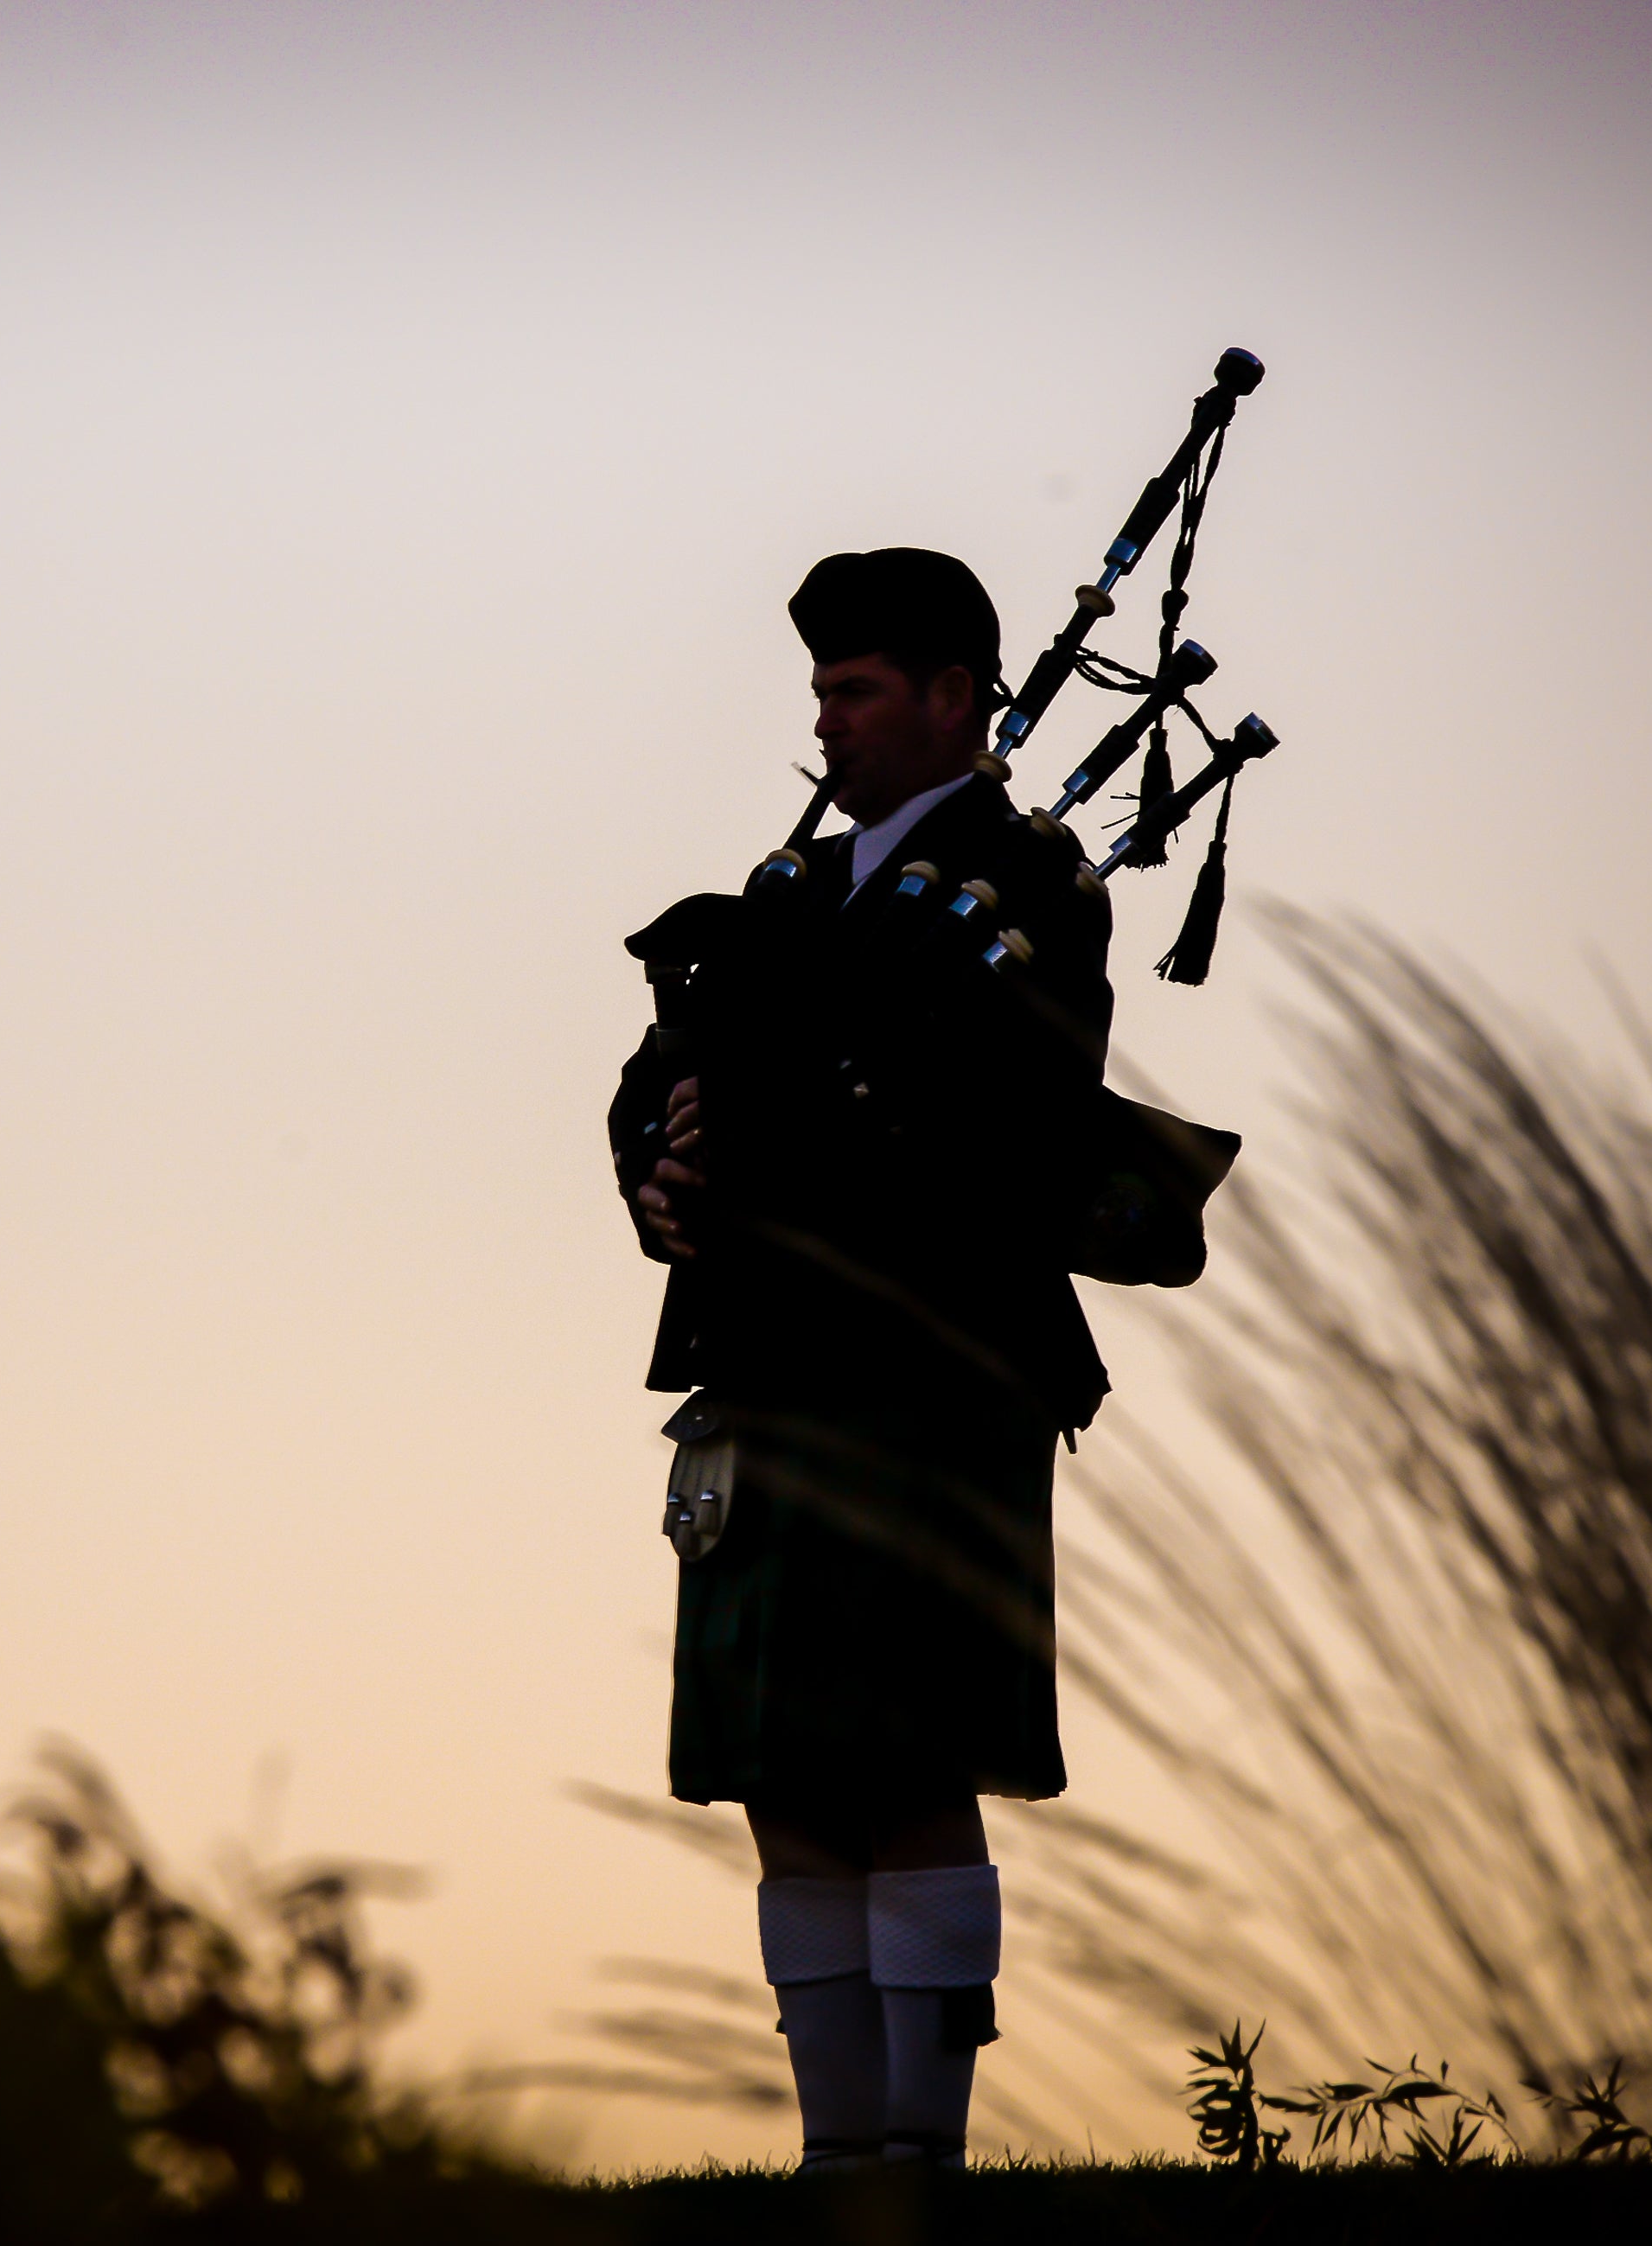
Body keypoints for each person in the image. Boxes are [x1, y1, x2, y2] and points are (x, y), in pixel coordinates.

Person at [609, 547, 1116, 2172]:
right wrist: (660, 1166)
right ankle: (836, 2158)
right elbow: (652, 1074)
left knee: (903, 1757)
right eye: (820, 690)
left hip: (929, 1366)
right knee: (789, 1774)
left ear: (954, 697)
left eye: (855, 688)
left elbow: (995, 1097)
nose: (823, 720)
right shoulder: (782, 897)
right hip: (767, 1360)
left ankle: (920, 2154)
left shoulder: (1034, 884)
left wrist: (773, 1114)